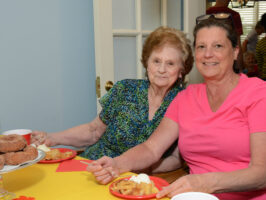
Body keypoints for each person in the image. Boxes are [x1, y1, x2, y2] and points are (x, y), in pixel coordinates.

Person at [86, 14, 266, 199]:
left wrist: (204, 182)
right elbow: (151, 148)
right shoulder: (186, 98)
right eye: (201, 47)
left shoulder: (259, 93)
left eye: (218, 46)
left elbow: (261, 175)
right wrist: (118, 164)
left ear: (235, 51)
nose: (208, 54)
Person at [31, 26, 194, 172]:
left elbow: (176, 159)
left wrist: (136, 169)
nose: (161, 69)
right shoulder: (125, 89)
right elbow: (93, 131)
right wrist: (52, 138)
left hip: (135, 178)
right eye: (156, 61)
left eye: (170, 63)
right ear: (147, 63)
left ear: (182, 70)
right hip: (93, 165)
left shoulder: (186, 101)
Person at [206, 0, 244, 72]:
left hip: (210, 59)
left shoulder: (206, 13)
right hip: (228, 61)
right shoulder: (234, 15)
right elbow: (237, 43)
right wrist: (240, 68)